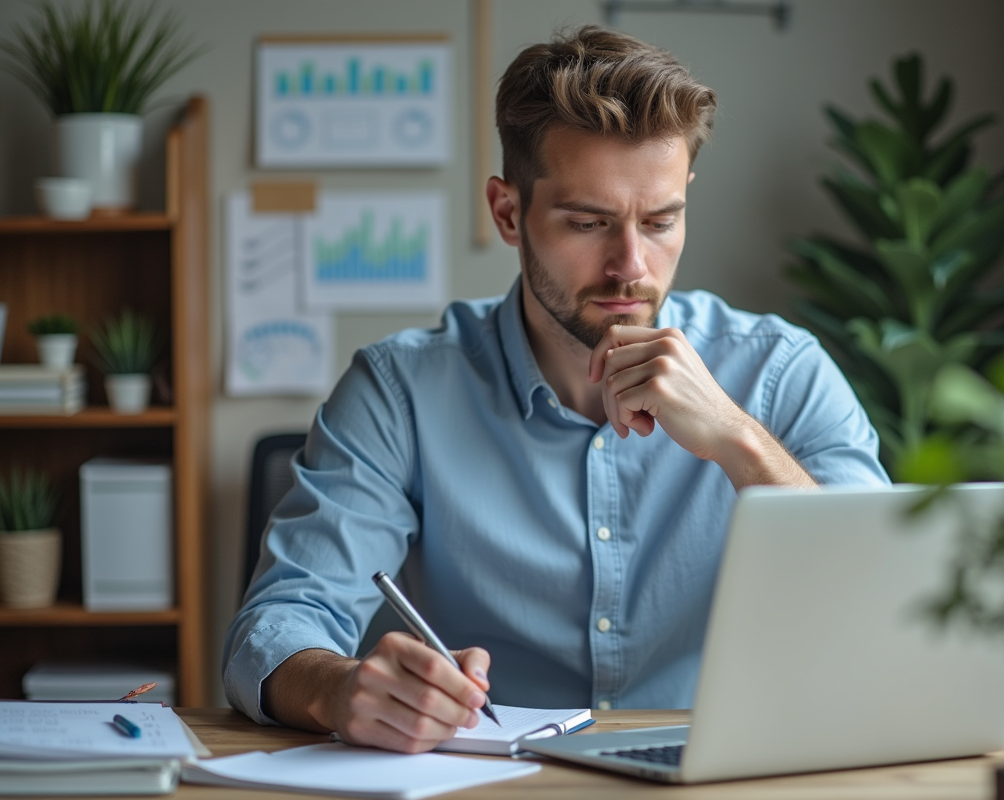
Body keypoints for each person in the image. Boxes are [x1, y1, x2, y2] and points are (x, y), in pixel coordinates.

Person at [223, 25, 888, 754]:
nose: (631, 265)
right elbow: (279, 624)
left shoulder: (782, 373)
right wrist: (338, 688)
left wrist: (739, 441)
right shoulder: (400, 392)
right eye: (588, 222)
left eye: (661, 221)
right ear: (509, 213)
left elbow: (886, 618)